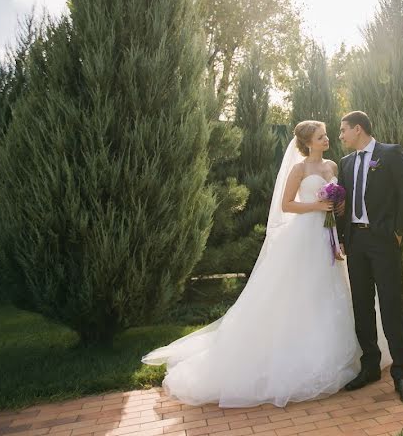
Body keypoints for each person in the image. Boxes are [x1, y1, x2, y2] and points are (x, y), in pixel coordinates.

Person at [141, 120, 389, 408]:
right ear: (309, 142)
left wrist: (338, 207)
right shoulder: (299, 170)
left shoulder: (333, 167)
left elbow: (339, 203)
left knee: (332, 289)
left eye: (326, 135)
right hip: (304, 236)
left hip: (327, 234)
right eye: (321, 136)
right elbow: (286, 205)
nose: (327, 139)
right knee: (300, 291)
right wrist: (316, 206)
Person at [337, 110, 403, 406]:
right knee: (361, 306)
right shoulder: (345, 163)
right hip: (356, 243)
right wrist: (343, 238)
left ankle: (401, 374)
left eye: (343, 130)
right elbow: (342, 204)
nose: (341, 135)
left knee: (390, 306)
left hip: (383, 241)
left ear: (358, 129)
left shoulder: (390, 154)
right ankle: (370, 366)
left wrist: (399, 232)